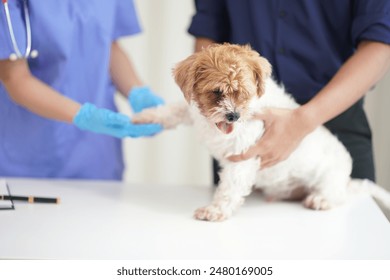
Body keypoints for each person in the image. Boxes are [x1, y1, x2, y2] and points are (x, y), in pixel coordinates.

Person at [188, 0, 390, 184]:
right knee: (228, 215)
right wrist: (209, 95)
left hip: (335, 118)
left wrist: (301, 121)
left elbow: (380, 41)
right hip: (241, 125)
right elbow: (209, 29)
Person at [0, 0, 164, 180]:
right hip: (29, 152)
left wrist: (139, 93)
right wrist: (87, 116)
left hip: (97, 155)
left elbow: (108, 44)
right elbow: (14, 78)